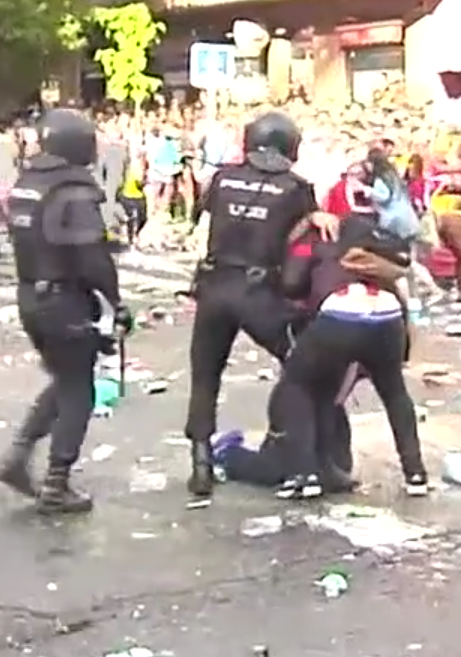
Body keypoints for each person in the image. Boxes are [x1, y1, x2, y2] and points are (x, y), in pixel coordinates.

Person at [183, 110, 339, 499]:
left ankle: (201, 463)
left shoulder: (222, 178)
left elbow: (204, 214)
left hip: (214, 285)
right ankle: (308, 460)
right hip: (260, 293)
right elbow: (304, 228)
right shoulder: (295, 187)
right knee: (304, 368)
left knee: (205, 377)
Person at [0, 109, 132, 514]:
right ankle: (57, 482)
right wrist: (116, 302)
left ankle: (18, 455)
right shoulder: (73, 188)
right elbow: (92, 256)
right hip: (64, 300)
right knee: (79, 391)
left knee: (65, 379)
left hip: (30, 295)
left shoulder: (28, 182)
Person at [270, 206, 430, 498]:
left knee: (296, 383)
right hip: (388, 316)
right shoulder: (379, 253)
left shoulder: (320, 246)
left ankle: (304, 475)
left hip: (340, 314)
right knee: (394, 393)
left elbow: (291, 285)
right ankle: (415, 473)